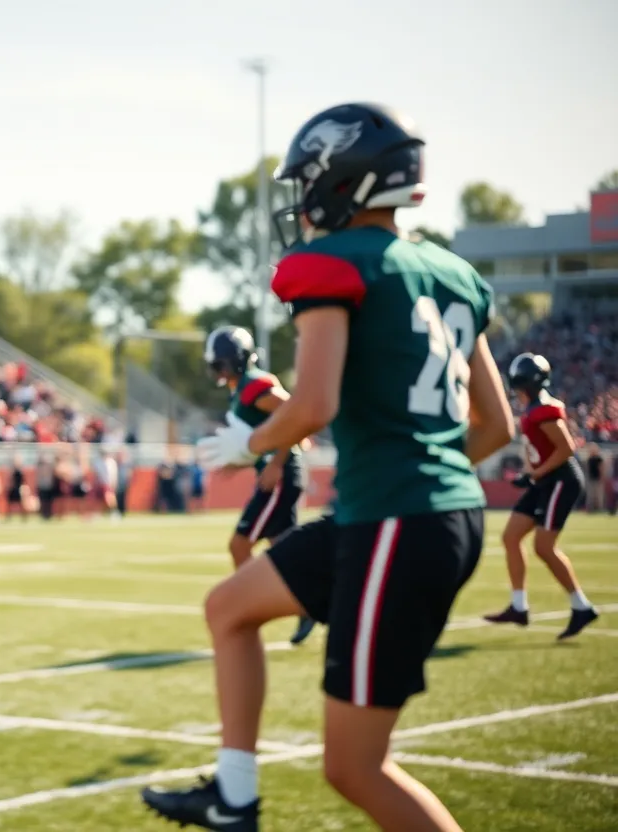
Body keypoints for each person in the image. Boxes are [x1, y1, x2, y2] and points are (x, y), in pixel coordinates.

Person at [141, 102, 514, 831]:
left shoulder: (333, 262)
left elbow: (313, 404)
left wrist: (250, 444)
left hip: (397, 521)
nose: (303, 197)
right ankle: (234, 796)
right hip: (406, 514)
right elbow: (494, 426)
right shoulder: (453, 272)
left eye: (309, 179)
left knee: (353, 768)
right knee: (229, 607)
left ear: (343, 180)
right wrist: (425, 471)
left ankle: (235, 797)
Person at [200, 325, 313, 645]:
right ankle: (312, 602)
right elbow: (269, 433)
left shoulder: (254, 385)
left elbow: (295, 414)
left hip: (281, 473)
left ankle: (248, 613)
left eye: (223, 362)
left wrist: (276, 462)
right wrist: (240, 462)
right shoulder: (241, 389)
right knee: (284, 549)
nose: (220, 370)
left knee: (240, 545)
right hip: (277, 471)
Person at [483, 353, 598, 639]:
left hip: (560, 481)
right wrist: (530, 473)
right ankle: (519, 606)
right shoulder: (534, 408)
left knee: (543, 547)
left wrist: (535, 474)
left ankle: (581, 607)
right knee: (511, 537)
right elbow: (539, 449)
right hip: (545, 479)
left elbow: (566, 449)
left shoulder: (543, 410)